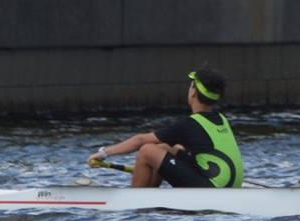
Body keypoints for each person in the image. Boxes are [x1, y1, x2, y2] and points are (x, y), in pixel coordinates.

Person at [92, 68, 244, 189]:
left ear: (193, 92)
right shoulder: (222, 119)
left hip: (211, 187)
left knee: (147, 150)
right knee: (165, 147)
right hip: (228, 184)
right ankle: (151, 193)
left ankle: (135, 199)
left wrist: (103, 153)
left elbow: (140, 140)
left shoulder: (189, 123)